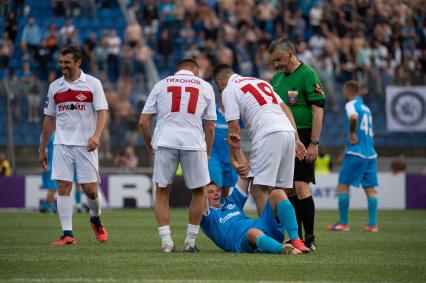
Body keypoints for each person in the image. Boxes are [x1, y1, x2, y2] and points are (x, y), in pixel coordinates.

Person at [211, 64, 309, 253]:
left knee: (258, 190)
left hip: (267, 133)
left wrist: (234, 159)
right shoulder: (259, 81)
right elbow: (285, 108)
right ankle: (296, 239)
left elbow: (234, 129)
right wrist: (296, 138)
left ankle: (270, 240)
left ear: (219, 82)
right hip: (287, 132)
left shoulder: (230, 89)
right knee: (277, 191)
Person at [139, 58, 216, 253]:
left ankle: (167, 243)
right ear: (196, 71)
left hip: (165, 141)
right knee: (199, 191)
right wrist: (207, 153)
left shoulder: (161, 84)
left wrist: (149, 146)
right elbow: (210, 127)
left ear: (177, 70)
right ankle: (189, 243)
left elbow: (143, 122)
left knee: (162, 192)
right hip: (193, 142)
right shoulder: (205, 87)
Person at [39, 45, 109, 245]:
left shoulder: (93, 84)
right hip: (61, 144)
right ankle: (68, 234)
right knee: (63, 186)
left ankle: (95, 219)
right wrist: (42, 148)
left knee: (90, 190)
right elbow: (49, 120)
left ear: (78, 63)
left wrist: (96, 136)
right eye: (61, 62)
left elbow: (102, 111)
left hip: (86, 145)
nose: (63, 66)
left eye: (67, 62)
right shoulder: (55, 87)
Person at [268, 38, 326, 251]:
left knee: (301, 186)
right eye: (273, 61)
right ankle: (296, 238)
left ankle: (310, 238)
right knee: (288, 190)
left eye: (279, 59)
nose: (276, 65)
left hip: (303, 136)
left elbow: (318, 109)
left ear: (291, 54)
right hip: (283, 137)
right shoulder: (276, 78)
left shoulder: (308, 74)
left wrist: (314, 142)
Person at [201, 145, 308, 255]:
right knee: (252, 233)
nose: (215, 193)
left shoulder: (231, 202)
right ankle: (282, 248)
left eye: (215, 191)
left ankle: (296, 240)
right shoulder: (207, 218)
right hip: (243, 240)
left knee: (278, 193)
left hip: (262, 227)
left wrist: (236, 148)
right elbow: (201, 191)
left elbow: (245, 176)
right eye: (210, 192)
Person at [328, 80, 379, 232]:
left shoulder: (351, 105)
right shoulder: (367, 108)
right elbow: (371, 132)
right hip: (371, 154)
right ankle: (372, 225)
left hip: (356, 152)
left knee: (342, 186)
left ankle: (343, 223)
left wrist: (351, 133)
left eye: (344, 90)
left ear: (349, 91)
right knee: (370, 190)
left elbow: (353, 118)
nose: (343, 93)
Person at [208, 93, 238, 200]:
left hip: (229, 156)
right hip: (214, 155)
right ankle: (213, 212)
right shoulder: (212, 110)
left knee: (227, 187)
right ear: (220, 97)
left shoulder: (235, 114)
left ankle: (222, 210)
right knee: (216, 186)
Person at [40, 133, 58, 213]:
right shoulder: (46, 135)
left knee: (53, 187)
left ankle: (45, 205)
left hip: (54, 165)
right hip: (49, 165)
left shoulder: (56, 133)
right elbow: (42, 150)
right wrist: (45, 164)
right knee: (53, 187)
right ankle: (49, 205)